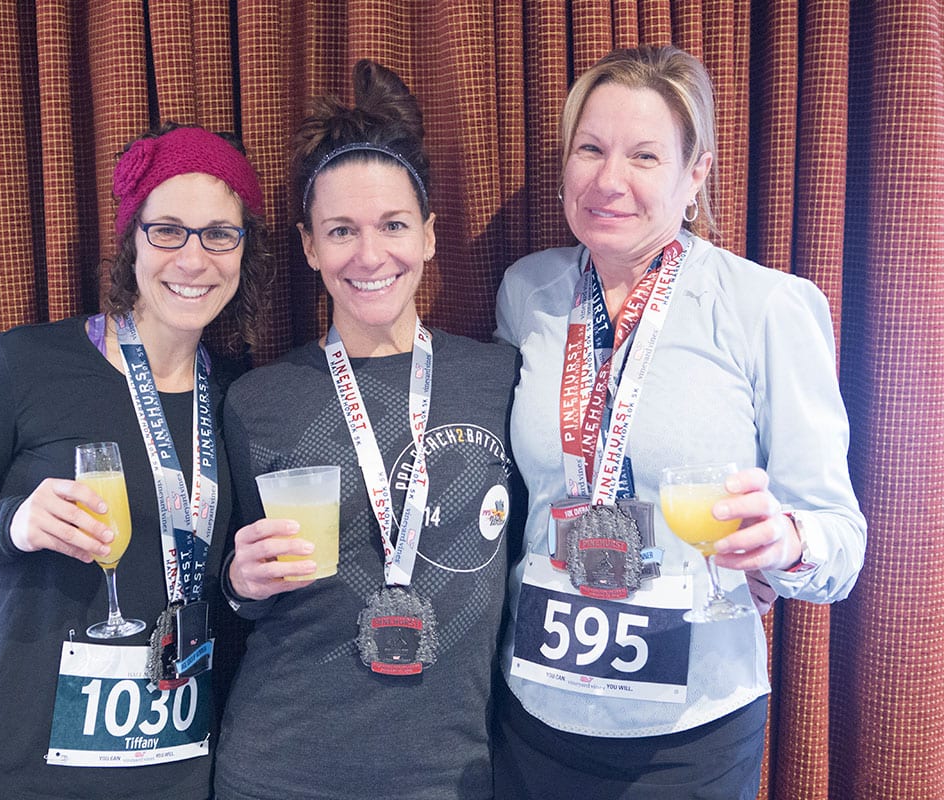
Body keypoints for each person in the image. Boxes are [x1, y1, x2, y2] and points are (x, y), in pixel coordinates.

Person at [492, 45, 866, 799]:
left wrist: (790, 541)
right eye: (589, 149)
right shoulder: (527, 291)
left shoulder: (766, 307)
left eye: (645, 156)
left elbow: (840, 539)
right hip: (534, 707)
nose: (608, 180)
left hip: (691, 731)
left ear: (695, 175)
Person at [0, 123, 270, 800]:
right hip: (10, 772)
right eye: (168, 230)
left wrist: (241, 588)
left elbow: (219, 584)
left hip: (173, 770)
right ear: (131, 241)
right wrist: (13, 525)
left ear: (244, 251)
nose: (194, 258)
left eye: (219, 232)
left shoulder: (245, 399)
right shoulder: (27, 363)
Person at [213, 60, 521, 800]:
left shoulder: (500, 377)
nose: (371, 255)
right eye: (341, 231)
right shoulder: (258, 398)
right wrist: (237, 582)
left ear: (430, 235)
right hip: (280, 770)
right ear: (310, 246)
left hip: (452, 772)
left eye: (393, 225)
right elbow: (227, 597)